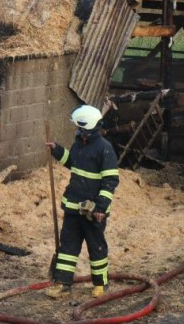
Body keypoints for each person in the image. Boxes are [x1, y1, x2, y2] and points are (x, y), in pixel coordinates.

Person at [44, 104, 119, 299]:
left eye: (81, 129)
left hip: (93, 211)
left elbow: (110, 181)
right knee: (67, 248)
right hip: (73, 207)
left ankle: (101, 285)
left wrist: (101, 207)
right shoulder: (79, 144)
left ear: (91, 128)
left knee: (96, 248)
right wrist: (58, 151)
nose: (78, 132)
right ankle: (63, 284)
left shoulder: (105, 149)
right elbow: (73, 162)